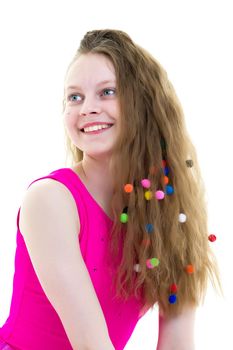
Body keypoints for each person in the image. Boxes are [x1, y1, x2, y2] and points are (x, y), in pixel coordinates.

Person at [0, 29, 222, 350]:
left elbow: (178, 343)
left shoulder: (173, 217)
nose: (87, 108)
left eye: (106, 92)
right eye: (74, 97)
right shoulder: (50, 200)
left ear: (144, 103)